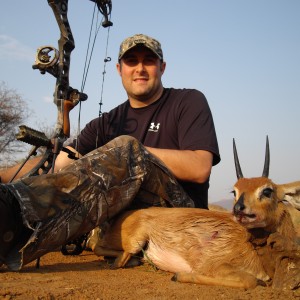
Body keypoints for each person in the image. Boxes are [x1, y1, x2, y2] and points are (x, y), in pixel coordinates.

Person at [0, 34, 220, 270]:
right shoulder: (105, 123)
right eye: (132, 61)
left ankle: (8, 218)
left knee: (127, 148)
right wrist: (3, 177)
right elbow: (56, 164)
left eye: (149, 61)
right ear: (119, 69)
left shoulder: (187, 101)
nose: (140, 69)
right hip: (125, 228)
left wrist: (136, 151)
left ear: (162, 67)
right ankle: (10, 219)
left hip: (183, 223)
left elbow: (199, 168)